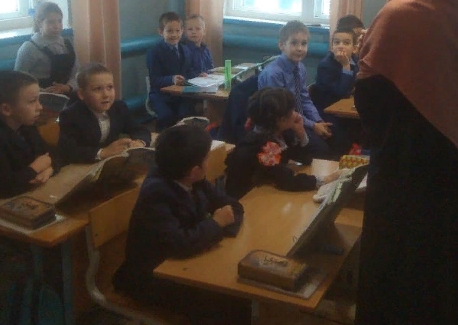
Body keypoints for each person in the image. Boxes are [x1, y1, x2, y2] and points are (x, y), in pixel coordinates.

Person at [354, 0, 458, 325]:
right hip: (455, 159)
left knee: (400, 265)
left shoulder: (403, 11)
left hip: (408, 165)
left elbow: (370, 100)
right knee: (440, 266)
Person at [112, 125, 249, 324]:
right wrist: (216, 224)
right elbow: (180, 243)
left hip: (186, 263)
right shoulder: (156, 193)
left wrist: (219, 226)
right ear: (194, 170)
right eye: (206, 158)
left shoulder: (191, 178)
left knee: (240, 296)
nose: (208, 162)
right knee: (231, 306)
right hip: (151, 278)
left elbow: (233, 207)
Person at [224, 88, 340, 199]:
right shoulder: (262, 146)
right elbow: (287, 180)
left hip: (264, 192)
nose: (297, 115)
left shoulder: (280, 132)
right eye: (292, 111)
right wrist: (326, 180)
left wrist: (301, 134)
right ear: (281, 120)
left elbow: (306, 160)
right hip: (246, 199)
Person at [0, 70, 61, 198]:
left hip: (32, 193)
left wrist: (49, 169)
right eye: (32, 101)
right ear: (6, 109)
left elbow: (54, 156)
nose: (40, 107)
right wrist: (35, 168)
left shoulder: (27, 127)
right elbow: (4, 188)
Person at [258, 21, 334, 159]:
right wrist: (312, 126)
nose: (300, 48)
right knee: (320, 150)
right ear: (282, 45)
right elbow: (282, 110)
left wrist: (317, 121)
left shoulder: (300, 68)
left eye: (303, 44)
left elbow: (304, 99)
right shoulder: (274, 74)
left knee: (333, 137)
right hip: (279, 126)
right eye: (294, 43)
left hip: (297, 121)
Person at [59, 63, 151, 164]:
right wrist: (102, 152)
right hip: (83, 164)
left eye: (110, 87)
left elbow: (139, 129)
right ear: (81, 94)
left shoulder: (119, 107)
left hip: (111, 160)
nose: (106, 95)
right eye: (98, 89)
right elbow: (68, 151)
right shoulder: (70, 115)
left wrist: (139, 142)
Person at [14, 2, 79, 96]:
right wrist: (41, 91)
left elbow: (76, 72)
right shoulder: (29, 48)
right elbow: (19, 79)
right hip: (39, 95)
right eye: (50, 22)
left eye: (59, 21)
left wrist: (68, 87)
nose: (57, 26)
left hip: (67, 92)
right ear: (39, 23)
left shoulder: (67, 44)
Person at [146, 12, 194, 130]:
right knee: (167, 116)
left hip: (181, 94)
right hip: (161, 95)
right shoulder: (155, 52)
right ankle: (162, 137)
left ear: (182, 31)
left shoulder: (185, 50)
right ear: (161, 32)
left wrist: (199, 75)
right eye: (170, 31)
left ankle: (183, 137)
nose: (174, 35)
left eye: (177, 31)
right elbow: (154, 80)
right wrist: (172, 79)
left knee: (186, 113)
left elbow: (189, 71)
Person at [313, 26, 359, 116]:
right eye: (337, 42)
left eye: (346, 43)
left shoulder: (356, 60)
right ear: (332, 47)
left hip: (347, 107)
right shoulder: (325, 66)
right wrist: (346, 66)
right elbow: (341, 93)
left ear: (354, 49)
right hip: (329, 111)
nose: (340, 46)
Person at [183, 14, 214, 79]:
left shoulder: (206, 50)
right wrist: (197, 75)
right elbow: (185, 72)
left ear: (204, 31)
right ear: (185, 32)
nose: (194, 32)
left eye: (198, 29)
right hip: (191, 82)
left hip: (207, 81)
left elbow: (211, 68)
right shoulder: (183, 50)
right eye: (190, 29)